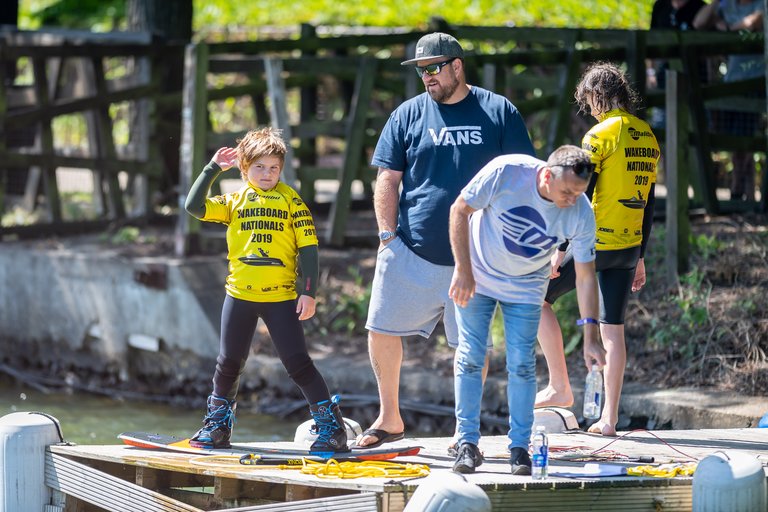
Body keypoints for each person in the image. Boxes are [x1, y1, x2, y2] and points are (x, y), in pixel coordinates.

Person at [357, 32, 535, 448]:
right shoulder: (407, 114)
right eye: (421, 70)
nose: (427, 77)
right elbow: (387, 179)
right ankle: (389, 418)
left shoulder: (498, 111)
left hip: (475, 258)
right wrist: (386, 237)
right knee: (380, 328)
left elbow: (523, 177)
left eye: (434, 68)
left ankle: (463, 431)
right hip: (410, 249)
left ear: (457, 66)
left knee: (472, 347)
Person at [184, 127, 349, 456]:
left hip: (281, 298)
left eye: (274, 167)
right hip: (239, 296)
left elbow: (309, 249)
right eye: (259, 167)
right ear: (244, 168)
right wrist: (212, 168)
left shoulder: (291, 201)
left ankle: (332, 429)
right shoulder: (234, 201)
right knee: (228, 363)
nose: (267, 174)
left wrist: (309, 292)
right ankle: (218, 427)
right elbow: (194, 206)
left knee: (298, 363)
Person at [448, 145, 606, 474]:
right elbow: (459, 210)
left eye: (579, 193)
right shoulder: (507, 172)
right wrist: (462, 269)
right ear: (546, 176)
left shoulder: (580, 211)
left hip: (527, 284)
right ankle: (466, 443)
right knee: (471, 356)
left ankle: (519, 447)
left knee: (522, 363)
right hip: (479, 274)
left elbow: (586, 277)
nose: (572, 200)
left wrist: (591, 336)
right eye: (566, 192)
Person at [534, 63, 661, 437]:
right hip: (628, 246)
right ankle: (609, 419)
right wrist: (640, 255)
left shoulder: (599, 135)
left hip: (595, 242)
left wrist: (560, 247)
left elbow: (578, 193)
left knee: (536, 297)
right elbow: (649, 202)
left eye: (588, 101)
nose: (589, 110)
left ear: (598, 96)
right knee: (613, 331)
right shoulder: (648, 136)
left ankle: (559, 385)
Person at [694, 0, 765, 201]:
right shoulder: (727, 5)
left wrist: (726, 29)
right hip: (732, 80)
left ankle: (738, 190)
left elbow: (751, 22)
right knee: (735, 142)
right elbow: (698, 23)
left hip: (755, 82)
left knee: (745, 141)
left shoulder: (761, 4)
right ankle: (745, 193)